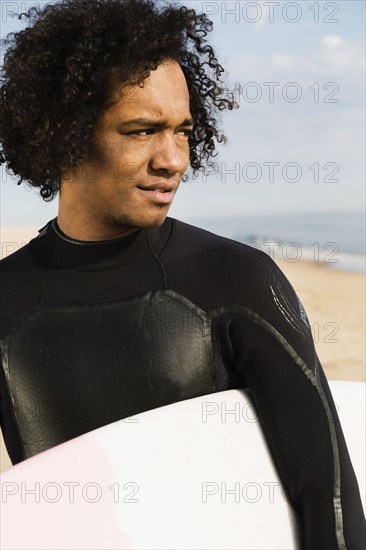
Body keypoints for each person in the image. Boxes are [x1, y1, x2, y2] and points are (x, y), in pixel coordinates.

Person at [0, 0, 365, 547]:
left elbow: (329, 498)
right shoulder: (6, 297)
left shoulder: (235, 279)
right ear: (63, 135)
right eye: (142, 131)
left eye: (183, 130)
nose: (172, 159)